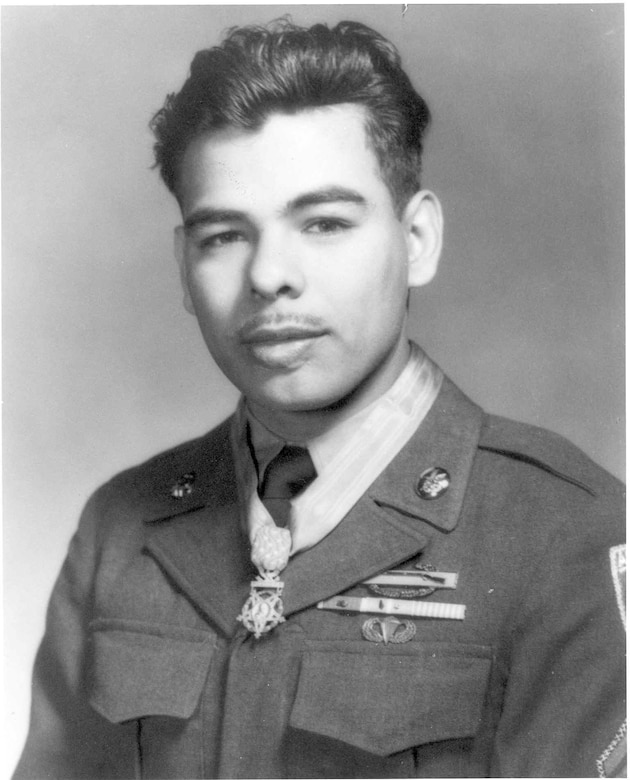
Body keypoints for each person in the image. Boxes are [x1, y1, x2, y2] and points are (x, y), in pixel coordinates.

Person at [14, 19, 625, 779]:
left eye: (325, 222)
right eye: (224, 236)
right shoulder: (123, 527)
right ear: (183, 267)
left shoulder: (565, 532)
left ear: (418, 240)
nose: (270, 274)